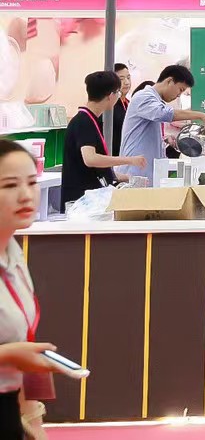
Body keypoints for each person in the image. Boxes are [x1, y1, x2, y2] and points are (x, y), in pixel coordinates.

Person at [0, 139, 70, 440]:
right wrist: (8, 356)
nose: (26, 195)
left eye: (31, 182)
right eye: (10, 185)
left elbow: (24, 338)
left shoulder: (13, 253)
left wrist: (33, 418)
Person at [62, 70, 145, 205]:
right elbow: (90, 159)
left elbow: (97, 168)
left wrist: (127, 177)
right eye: (118, 93)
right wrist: (129, 160)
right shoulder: (84, 121)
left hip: (90, 197)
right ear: (111, 95)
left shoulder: (90, 119)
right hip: (81, 201)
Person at [121, 65, 205, 177]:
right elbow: (165, 114)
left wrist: (165, 139)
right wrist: (200, 115)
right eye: (180, 89)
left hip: (148, 171)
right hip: (135, 172)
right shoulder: (144, 97)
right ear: (169, 81)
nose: (178, 95)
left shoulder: (155, 101)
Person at [109, 62, 133, 154]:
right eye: (121, 79)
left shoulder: (129, 103)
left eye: (128, 78)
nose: (127, 82)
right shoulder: (110, 105)